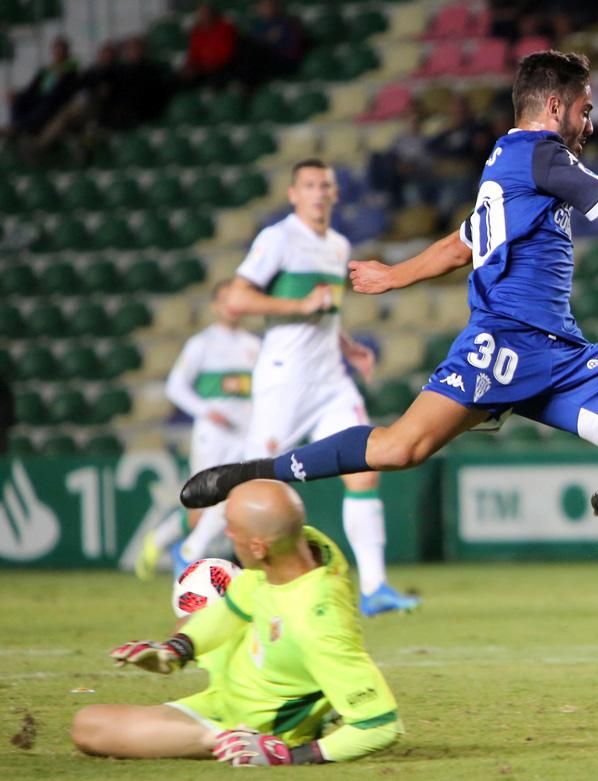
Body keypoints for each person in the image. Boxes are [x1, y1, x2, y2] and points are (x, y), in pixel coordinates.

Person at [181, 50, 598, 558]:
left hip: (559, 350)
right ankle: (251, 472)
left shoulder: (505, 159)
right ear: (554, 107)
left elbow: (464, 241)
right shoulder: (544, 156)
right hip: (506, 344)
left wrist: (397, 276)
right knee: (398, 448)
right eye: (585, 110)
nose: (588, 125)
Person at [188, 158, 419, 617]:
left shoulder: (338, 244)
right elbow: (237, 298)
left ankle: (374, 587)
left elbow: (324, 311)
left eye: (326, 186)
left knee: (365, 468)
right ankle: (193, 550)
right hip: (286, 378)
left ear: (335, 194)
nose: (319, 193)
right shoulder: (278, 238)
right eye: (310, 185)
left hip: (330, 378)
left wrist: (348, 345)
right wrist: (298, 303)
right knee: (252, 479)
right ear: (294, 194)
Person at [74, 480, 402, 766]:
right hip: (227, 693)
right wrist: (177, 650)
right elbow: (233, 608)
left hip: (259, 728)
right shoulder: (298, 549)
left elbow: (382, 725)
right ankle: (225, 726)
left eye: (232, 529)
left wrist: (292, 756)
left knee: (92, 729)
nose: (227, 534)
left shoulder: (318, 622)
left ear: (258, 547)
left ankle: (223, 740)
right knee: (88, 723)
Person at [135, 280, 260, 580]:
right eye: (225, 300)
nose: (232, 306)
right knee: (207, 503)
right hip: (213, 436)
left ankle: (184, 549)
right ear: (216, 307)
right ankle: (169, 543)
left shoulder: (254, 345)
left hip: (245, 435)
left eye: (237, 299)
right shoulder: (202, 344)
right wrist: (206, 410)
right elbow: (175, 387)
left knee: (229, 499)